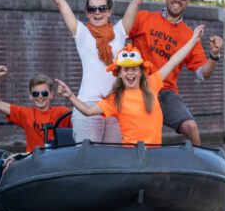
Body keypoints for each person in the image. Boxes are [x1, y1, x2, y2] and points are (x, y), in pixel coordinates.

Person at [27, 0, 166, 144]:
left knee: (114, 159)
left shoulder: (119, 32)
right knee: (88, 158)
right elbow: (60, 2)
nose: (97, 12)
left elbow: (136, 1)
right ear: (87, 12)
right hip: (88, 105)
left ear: (109, 11)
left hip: (116, 104)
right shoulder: (82, 33)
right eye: (92, 9)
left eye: (102, 8)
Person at [55, 25, 206, 145]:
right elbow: (88, 111)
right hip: (130, 157)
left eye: (134, 69)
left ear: (141, 72)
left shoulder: (152, 84)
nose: (130, 74)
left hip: (154, 155)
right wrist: (70, 96)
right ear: (120, 74)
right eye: (126, 70)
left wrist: (193, 40)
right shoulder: (116, 98)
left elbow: (173, 60)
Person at [128, 0, 224, 145]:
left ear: (188, 1)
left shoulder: (189, 36)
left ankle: (196, 165)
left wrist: (214, 55)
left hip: (165, 92)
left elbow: (203, 74)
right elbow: (119, 33)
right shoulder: (143, 19)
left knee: (190, 127)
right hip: (135, 87)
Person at [0, 65, 72, 152]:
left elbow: (83, 116)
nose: (40, 96)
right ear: (30, 96)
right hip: (34, 161)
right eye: (35, 93)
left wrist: (70, 96)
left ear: (51, 94)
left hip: (56, 160)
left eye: (44, 93)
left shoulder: (62, 112)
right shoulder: (26, 114)